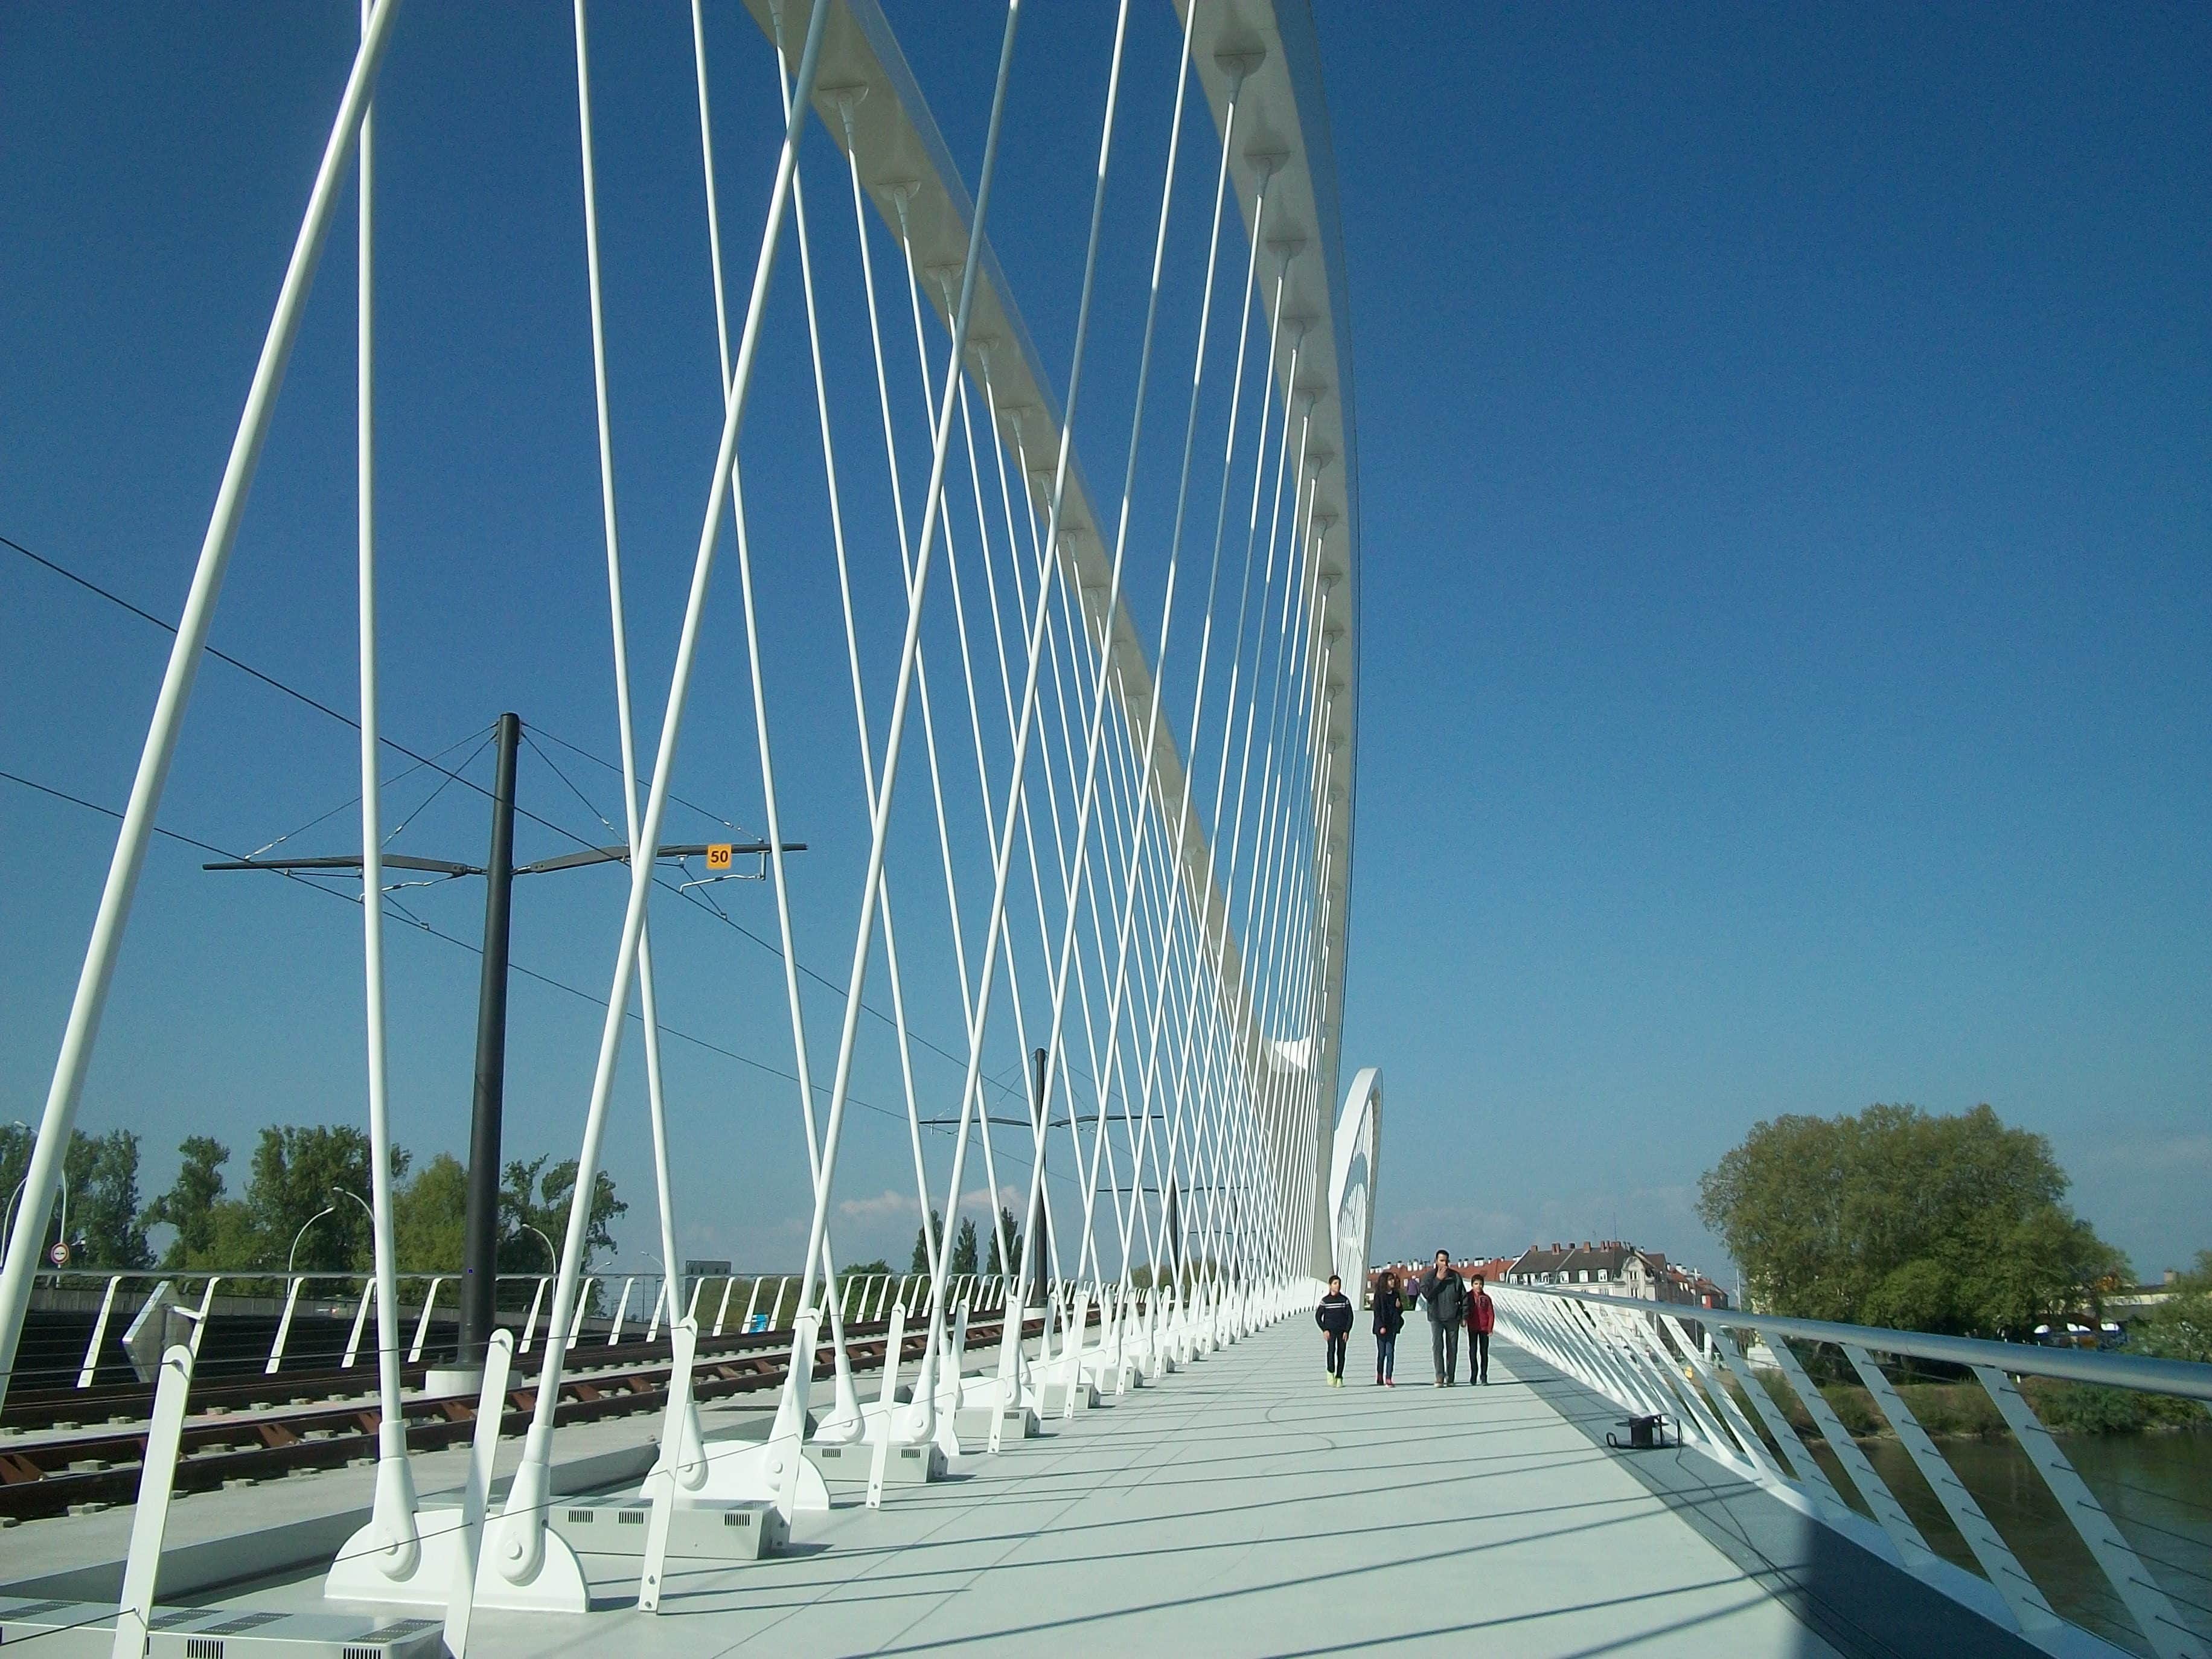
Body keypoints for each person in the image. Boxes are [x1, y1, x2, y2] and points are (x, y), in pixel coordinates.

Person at [1419, 1250, 1467, 1385]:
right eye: (1441, 1260)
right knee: (1437, 1346)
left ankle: (1450, 1377)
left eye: (1446, 1261)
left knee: (1452, 1347)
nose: (1444, 1263)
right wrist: (1438, 1280)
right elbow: (1427, 1295)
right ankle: (1439, 1376)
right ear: (1436, 1261)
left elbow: (1463, 1296)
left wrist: (1464, 1316)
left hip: (1453, 1316)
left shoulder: (1455, 1277)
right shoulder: (1429, 1277)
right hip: (1436, 1316)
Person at [1315, 1274, 1354, 1386]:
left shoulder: (1344, 1300)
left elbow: (1350, 1317)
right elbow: (1318, 1316)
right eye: (1335, 1284)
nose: (1338, 1286)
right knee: (1331, 1351)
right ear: (1330, 1285)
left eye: (1339, 1284)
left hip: (1342, 1331)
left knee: (1341, 1354)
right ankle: (1330, 1372)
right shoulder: (1325, 1301)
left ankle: (1339, 1377)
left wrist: (1347, 1331)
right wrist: (1324, 1329)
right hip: (1330, 1331)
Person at [1372, 1269, 1404, 1386]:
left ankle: (1389, 1377)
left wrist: (1399, 1307)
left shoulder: (1396, 1294)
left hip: (1392, 1328)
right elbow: (1377, 1312)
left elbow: (1399, 1311)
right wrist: (1381, 1326)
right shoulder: (1379, 1295)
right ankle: (1380, 1375)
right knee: (1382, 1353)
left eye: (1393, 1280)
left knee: (1390, 1352)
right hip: (1381, 1329)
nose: (1393, 1282)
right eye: (1390, 1280)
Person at [1466, 1271, 1495, 1385]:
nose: (1479, 1286)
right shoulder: (1468, 1297)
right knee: (1473, 1351)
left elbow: (1491, 1314)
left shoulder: (1486, 1298)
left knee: (1484, 1352)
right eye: (1476, 1284)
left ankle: (1484, 1375)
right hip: (1472, 1327)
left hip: (1484, 1329)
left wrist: (1490, 1328)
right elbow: (1464, 1309)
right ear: (1472, 1285)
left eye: (1481, 1284)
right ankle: (1474, 1374)